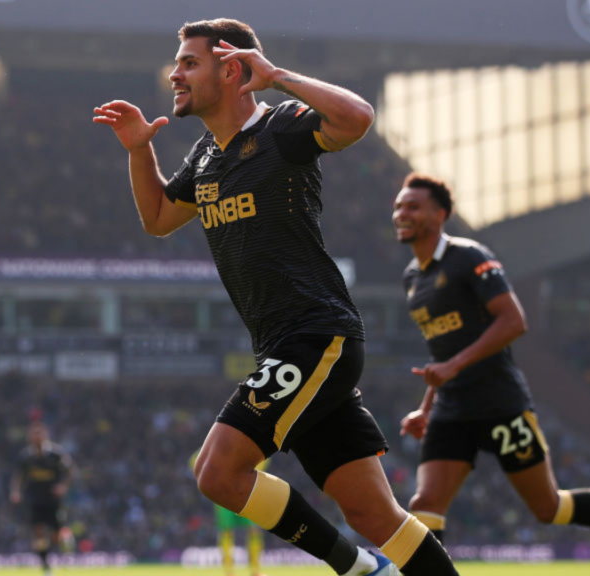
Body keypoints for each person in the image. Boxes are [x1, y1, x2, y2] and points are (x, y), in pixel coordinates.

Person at [94, 18, 459, 576]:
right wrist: (140, 151)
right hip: (287, 347)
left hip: (315, 336)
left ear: (231, 69)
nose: (175, 74)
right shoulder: (206, 156)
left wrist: (278, 76)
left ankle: (360, 569)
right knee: (371, 511)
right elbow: (160, 218)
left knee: (217, 472)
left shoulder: (280, 128)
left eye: (190, 63)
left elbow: (358, 118)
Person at [392, 173, 590, 574]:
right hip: (451, 407)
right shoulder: (413, 277)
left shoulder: (470, 257)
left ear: (440, 214)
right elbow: (442, 351)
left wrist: (454, 366)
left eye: (413, 206)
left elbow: (514, 321)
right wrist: (426, 408)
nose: (401, 213)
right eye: (398, 206)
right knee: (425, 504)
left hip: (498, 402)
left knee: (548, 507)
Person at [10, 421, 75, 576]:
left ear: (46, 435)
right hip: (35, 500)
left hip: (53, 500)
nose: (37, 437)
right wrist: (15, 491)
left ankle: (65, 546)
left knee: (56, 534)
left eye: (39, 433)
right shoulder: (26, 456)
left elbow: (70, 471)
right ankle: (45, 566)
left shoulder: (56, 454)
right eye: (34, 434)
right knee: (38, 532)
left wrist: (63, 486)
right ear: (30, 437)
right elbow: (18, 476)